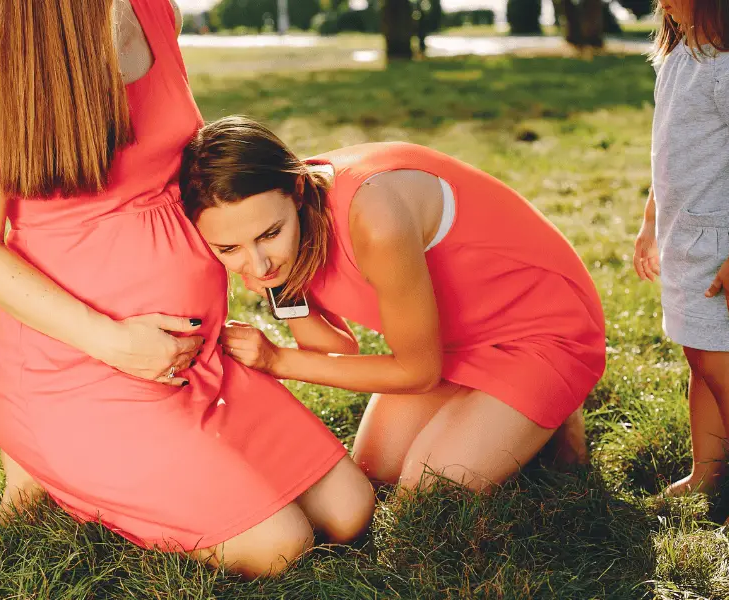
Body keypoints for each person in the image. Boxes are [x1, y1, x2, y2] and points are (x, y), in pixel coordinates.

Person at [0, 0, 373, 578]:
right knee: (282, 546)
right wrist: (115, 342)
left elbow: (199, 175)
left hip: (197, 359)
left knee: (351, 511)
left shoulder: (153, 13)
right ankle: (47, 461)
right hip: (81, 371)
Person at [181, 117, 607, 493]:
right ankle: (521, 417)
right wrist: (284, 288)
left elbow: (417, 373)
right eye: (228, 248)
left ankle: (552, 401)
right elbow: (337, 351)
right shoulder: (277, 222)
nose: (255, 263)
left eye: (269, 235)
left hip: (541, 328)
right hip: (452, 342)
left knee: (427, 493)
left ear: (296, 189)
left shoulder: (374, 216)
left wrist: (275, 361)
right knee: (376, 474)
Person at [632, 0, 729, 525]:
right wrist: (651, 220)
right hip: (686, 241)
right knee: (700, 361)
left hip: (724, 251)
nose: (663, 2)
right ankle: (708, 471)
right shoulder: (682, 55)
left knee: (726, 370)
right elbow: (668, 154)